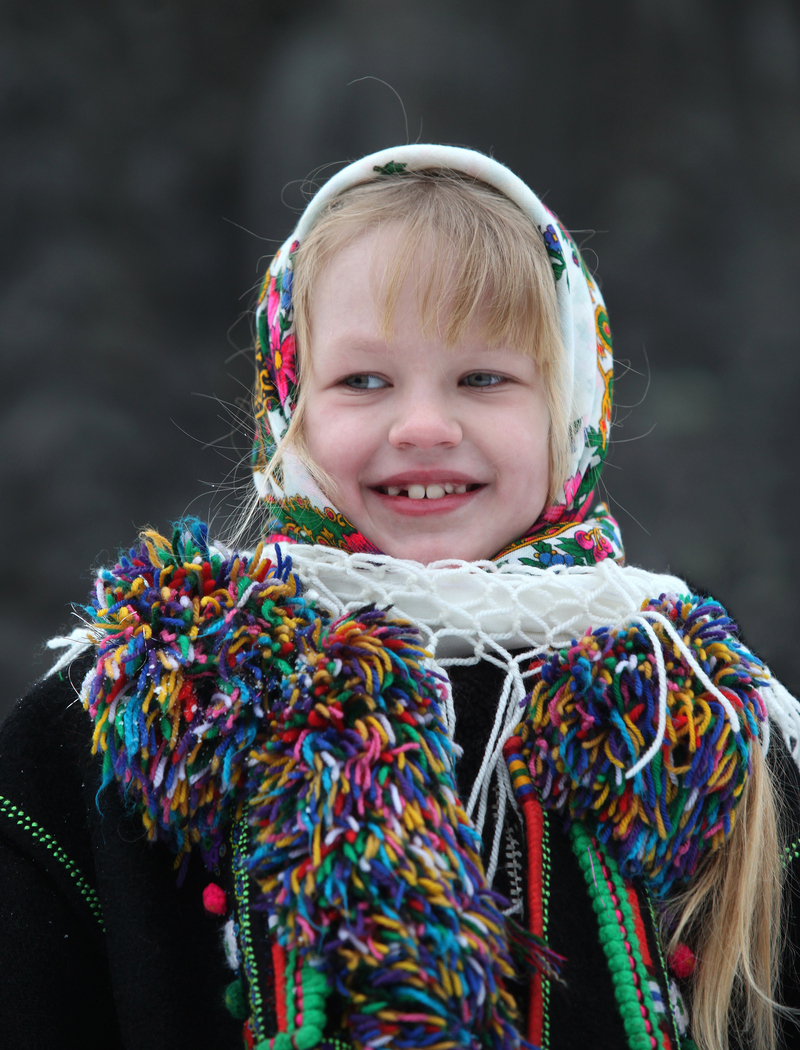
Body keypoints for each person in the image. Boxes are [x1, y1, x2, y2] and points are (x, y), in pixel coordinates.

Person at [1, 144, 799, 1050]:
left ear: (573, 408)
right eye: (364, 381)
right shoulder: (125, 719)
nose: (424, 425)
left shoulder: (695, 722)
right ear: (290, 407)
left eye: (484, 378)